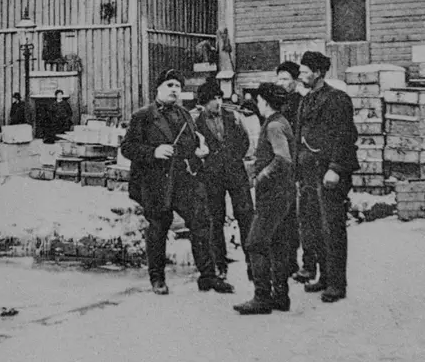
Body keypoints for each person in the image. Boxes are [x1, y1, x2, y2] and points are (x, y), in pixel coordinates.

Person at [121, 69, 234, 296]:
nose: (174, 90)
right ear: (159, 88)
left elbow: (190, 144)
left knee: (201, 224)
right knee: (158, 229)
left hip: (184, 180)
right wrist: (153, 151)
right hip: (156, 183)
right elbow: (127, 148)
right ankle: (157, 278)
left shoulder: (184, 114)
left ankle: (208, 276)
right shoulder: (142, 116)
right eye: (170, 85)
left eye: (178, 86)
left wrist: (199, 150)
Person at [295, 51, 357, 303]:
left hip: (329, 173)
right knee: (312, 228)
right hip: (309, 174)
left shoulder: (337, 99)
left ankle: (337, 284)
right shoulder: (306, 100)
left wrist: (335, 168)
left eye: (304, 70)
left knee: (332, 228)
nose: (301, 74)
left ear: (318, 72)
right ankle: (323, 277)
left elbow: (345, 136)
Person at [234, 83, 298, 315]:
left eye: (259, 100)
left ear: (265, 102)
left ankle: (261, 297)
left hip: (273, 195)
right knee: (279, 243)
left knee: (255, 243)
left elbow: (283, 158)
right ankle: (280, 296)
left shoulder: (272, 126)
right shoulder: (282, 122)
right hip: (284, 193)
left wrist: (262, 174)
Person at [194, 78, 254, 279]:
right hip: (211, 177)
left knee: (245, 215)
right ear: (203, 102)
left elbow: (245, 141)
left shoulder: (233, 117)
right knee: (214, 219)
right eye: (212, 99)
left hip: (236, 174)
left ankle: (252, 263)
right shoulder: (196, 123)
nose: (217, 102)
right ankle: (219, 264)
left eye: (219, 98)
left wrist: (233, 158)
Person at [275, 60, 316, 284]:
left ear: (294, 82)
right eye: (278, 78)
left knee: (305, 217)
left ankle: (310, 264)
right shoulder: (275, 104)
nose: (280, 83)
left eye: (285, 79)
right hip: (282, 167)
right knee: (286, 218)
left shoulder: (301, 103)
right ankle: (290, 262)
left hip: (299, 166)